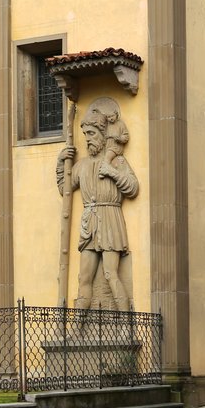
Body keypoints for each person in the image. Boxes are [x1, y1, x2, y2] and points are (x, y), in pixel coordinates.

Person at [55, 97, 139, 311]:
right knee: (84, 278)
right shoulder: (82, 166)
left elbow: (132, 188)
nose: (87, 139)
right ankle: (77, 329)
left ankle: (125, 327)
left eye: (91, 134)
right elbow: (65, 188)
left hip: (111, 219)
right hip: (89, 224)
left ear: (103, 135)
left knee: (111, 274)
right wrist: (61, 161)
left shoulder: (117, 162)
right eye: (85, 135)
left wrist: (111, 172)